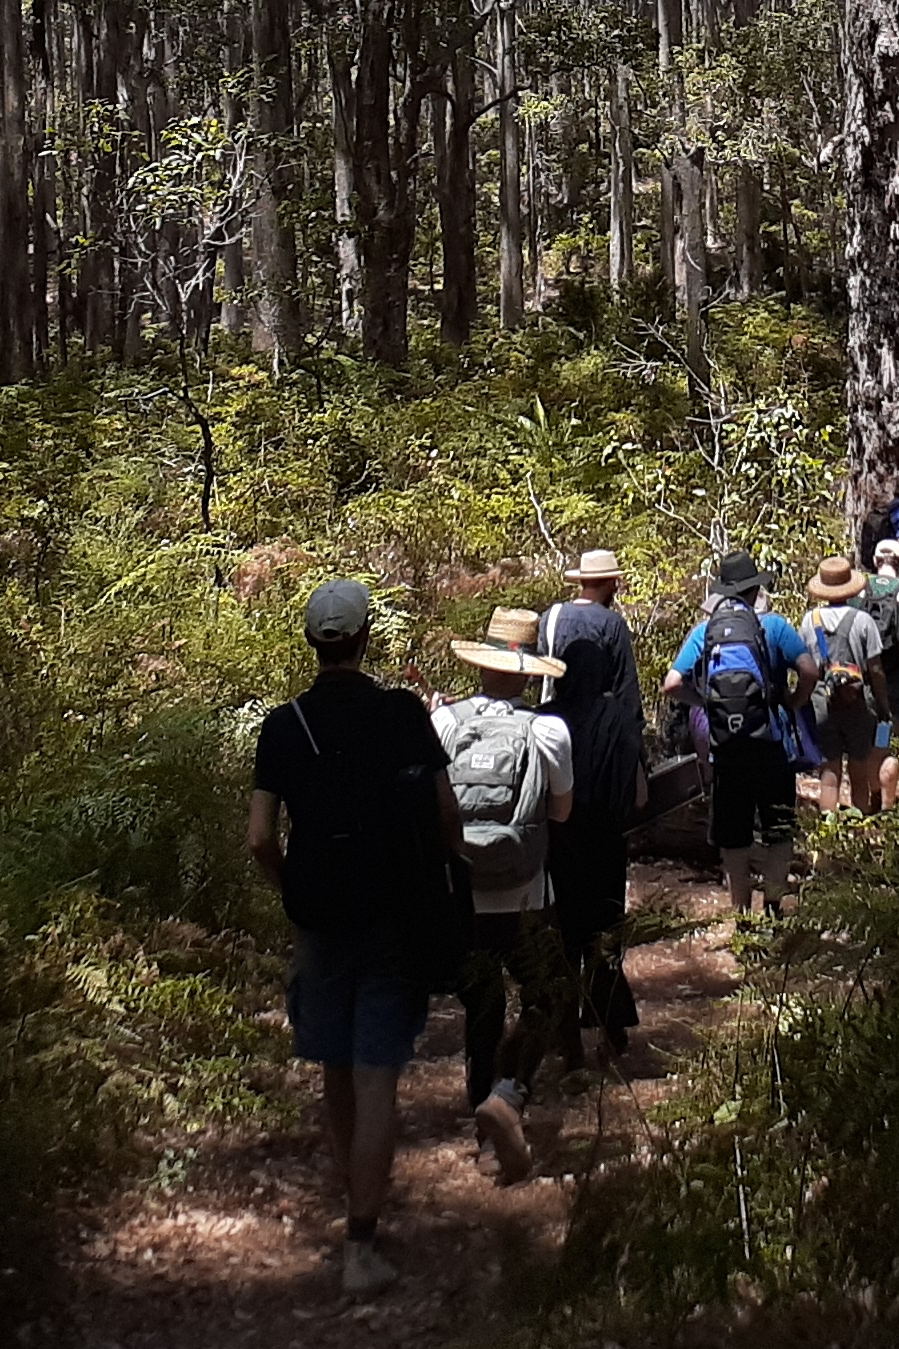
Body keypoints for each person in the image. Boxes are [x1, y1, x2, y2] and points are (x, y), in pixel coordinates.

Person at [246, 576, 455, 1298]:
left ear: (312, 643)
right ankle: (361, 1242)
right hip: (393, 916)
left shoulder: (284, 725)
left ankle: (352, 1202)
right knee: (377, 1079)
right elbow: (445, 819)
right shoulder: (400, 714)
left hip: (319, 920)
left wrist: (292, 891)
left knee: (334, 1066)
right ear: (367, 638)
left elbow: (258, 838)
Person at [433, 607, 578, 1184]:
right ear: (527, 673)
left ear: (483, 664)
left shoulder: (445, 724)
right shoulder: (547, 729)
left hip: (463, 891)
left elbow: (431, 808)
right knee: (546, 994)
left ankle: (481, 1128)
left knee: (481, 1006)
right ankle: (510, 1093)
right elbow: (562, 812)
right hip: (526, 895)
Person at [662, 552, 817, 920]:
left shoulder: (706, 632)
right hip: (772, 744)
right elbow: (809, 670)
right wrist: (793, 700)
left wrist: (704, 701)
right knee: (778, 829)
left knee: (734, 836)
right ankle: (775, 908)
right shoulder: (776, 627)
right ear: (754, 590)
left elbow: (671, 685)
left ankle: (742, 916)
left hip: (726, 750)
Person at [540, 550, 647, 1070]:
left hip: (557, 838)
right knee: (604, 931)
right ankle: (612, 1032)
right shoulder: (615, 715)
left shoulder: (546, 718)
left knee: (561, 932)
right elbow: (641, 795)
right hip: (606, 838)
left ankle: (566, 1043)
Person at [795, 557, 892, 813]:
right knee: (858, 768)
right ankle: (860, 825)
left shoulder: (809, 620)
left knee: (829, 770)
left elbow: (802, 664)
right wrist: (883, 704)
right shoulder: (863, 621)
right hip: (858, 703)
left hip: (822, 703)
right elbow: (876, 668)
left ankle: (829, 829)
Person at [862, 537, 899, 741]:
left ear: (875, 560)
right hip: (895, 666)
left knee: (867, 711)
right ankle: (887, 748)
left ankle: (868, 754)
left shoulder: (859, 589)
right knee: (893, 712)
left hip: (865, 668)